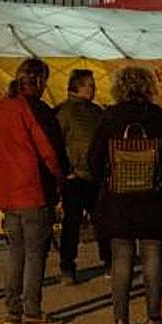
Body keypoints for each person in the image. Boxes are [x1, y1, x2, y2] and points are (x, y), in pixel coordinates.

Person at [88, 66, 162, 324]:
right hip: (155, 199)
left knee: (122, 258)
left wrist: (105, 183)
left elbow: (93, 160)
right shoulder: (161, 119)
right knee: (153, 255)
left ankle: (120, 319)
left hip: (118, 201)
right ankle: (154, 316)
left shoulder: (110, 118)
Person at [0, 59, 65, 324]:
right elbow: (48, 151)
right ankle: (32, 310)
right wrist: (59, 177)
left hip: (8, 191)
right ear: (40, 81)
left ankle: (12, 310)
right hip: (34, 190)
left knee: (15, 253)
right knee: (35, 254)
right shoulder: (36, 109)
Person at [54, 68, 111, 284]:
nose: (93, 88)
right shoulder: (65, 111)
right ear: (76, 86)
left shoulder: (97, 112)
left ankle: (109, 260)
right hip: (75, 176)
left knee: (102, 221)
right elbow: (56, 142)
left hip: (96, 176)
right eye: (89, 85)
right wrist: (65, 171)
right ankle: (67, 266)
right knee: (72, 222)